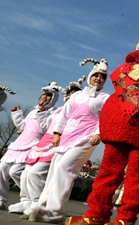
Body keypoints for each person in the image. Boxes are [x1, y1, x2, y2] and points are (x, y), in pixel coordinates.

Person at [29, 59, 109, 224]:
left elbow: (106, 117)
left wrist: (99, 133)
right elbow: (65, 115)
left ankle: (55, 211)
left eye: (102, 77)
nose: (99, 79)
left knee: (65, 169)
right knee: (54, 170)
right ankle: (40, 207)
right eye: (96, 75)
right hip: (66, 137)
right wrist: (57, 133)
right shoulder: (78, 95)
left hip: (86, 138)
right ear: (90, 76)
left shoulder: (105, 98)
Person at [10, 79, 84, 216]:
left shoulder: (78, 112)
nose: (71, 96)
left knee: (35, 174)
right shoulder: (58, 111)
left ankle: (37, 202)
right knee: (25, 174)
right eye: (69, 93)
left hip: (55, 145)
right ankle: (26, 200)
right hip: (43, 144)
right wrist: (42, 112)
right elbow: (45, 125)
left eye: (75, 94)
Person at [0, 85, 57, 210]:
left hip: (32, 145)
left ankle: (28, 199)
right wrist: (17, 114)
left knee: (16, 171)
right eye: (44, 95)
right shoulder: (33, 112)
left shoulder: (53, 113)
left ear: (54, 99)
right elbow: (23, 126)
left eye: (49, 95)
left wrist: (42, 112)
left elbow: (44, 129)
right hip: (19, 144)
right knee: (1, 170)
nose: (45, 97)